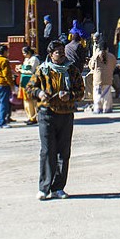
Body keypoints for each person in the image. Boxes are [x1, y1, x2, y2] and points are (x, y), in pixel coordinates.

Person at [25, 40, 85, 200]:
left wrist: (70, 96)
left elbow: (81, 91)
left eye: (62, 51)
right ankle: (44, 187)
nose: (61, 54)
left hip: (66, 114)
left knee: (63, 152)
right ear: (51, 54)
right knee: (47, 151)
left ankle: (58, 187)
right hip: (47, 114)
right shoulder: (42, 70)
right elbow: (29, 88)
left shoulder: (72, 70)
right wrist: (39, 93)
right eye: (58, 52)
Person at [88, 34, 117, 113]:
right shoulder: (111, 56)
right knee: (107, 95)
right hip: (108, 78)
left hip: (98, 79)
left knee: (97, 95)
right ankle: (107, 108)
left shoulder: (96, 56)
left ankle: (97, 108)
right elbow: (114, 65)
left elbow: (91, 66)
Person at [18, 46, 41, 125]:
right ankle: (29, 116)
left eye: (24, 53)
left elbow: (31, 71)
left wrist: (21, 70)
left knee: (33, 101)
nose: (23, 55)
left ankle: (34, 117)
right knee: (26, 101)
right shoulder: (26, 59)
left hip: (32, 82)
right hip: (24, 82)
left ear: (29, 52)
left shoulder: (34, 59)